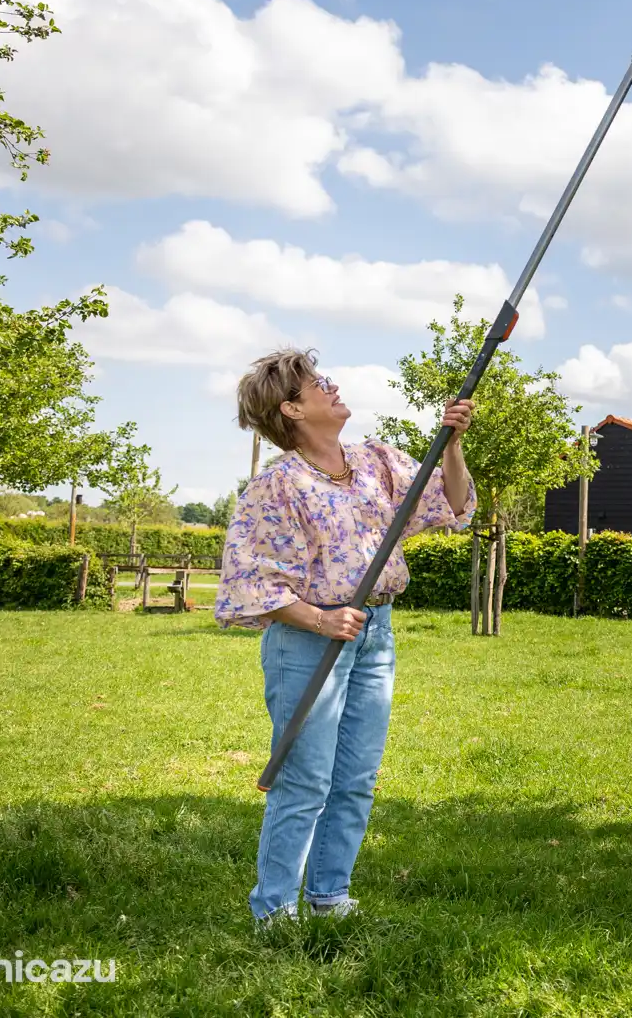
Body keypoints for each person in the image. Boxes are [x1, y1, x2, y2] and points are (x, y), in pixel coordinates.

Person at [216, 349, 476, 927]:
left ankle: (329, 897)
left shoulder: (376, 461)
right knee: (305, 779)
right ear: (291, 409)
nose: (332, 387)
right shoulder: (277, 486)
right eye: (318, 384)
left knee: (356, 779)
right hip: (311, 640)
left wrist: (453, 444)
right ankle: (274, 911)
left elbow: (453, 503)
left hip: (375, 634)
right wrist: (320, 619)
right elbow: (254, 581)